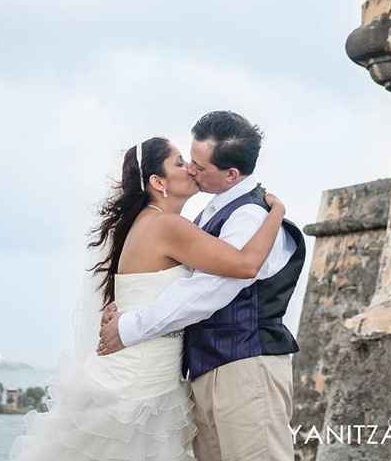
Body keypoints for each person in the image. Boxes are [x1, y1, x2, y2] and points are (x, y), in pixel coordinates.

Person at [10, 135, 286, 461]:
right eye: (180, 163)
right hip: (140, 387)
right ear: (158, 181)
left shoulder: (148, 224)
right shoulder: (167, 226)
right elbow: (245, 264)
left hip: (142, 375)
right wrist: (277, 213)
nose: (191, 170)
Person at [99, 111, 306, 461]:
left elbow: (209, 291)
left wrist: (128, 327)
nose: (191, 170)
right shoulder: (199, 216)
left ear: (231, 174)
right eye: (185, 161)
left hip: (245, 367)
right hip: (206, 369)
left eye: (197, 164)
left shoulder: (249, 215)